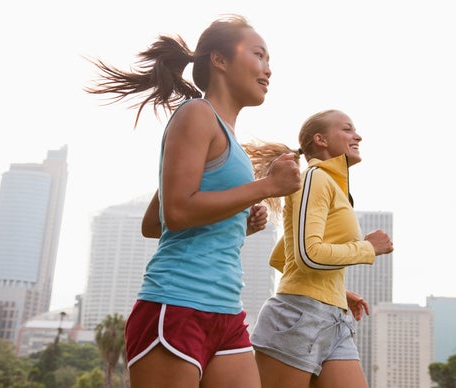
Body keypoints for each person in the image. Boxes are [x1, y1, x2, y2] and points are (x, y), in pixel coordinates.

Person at [85, 14, 301, 388]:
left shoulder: (228, 136)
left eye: (269, 60)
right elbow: (178, 212)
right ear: (219, 60)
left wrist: (237, 220)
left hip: (226, 312)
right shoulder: (196, 115)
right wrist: (265, 187)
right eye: (259, 55)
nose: (269, 68)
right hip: (176, 304)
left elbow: (156, 223)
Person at [244, 109, 394, 388]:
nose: (357, 135)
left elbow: (283, 257)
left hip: (334, 320)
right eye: (347, 129)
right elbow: (308, 254)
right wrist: (367, 248)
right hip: (298, 318)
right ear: (321, 140)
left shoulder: (335, 188)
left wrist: (336, 290)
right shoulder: (314, 178)